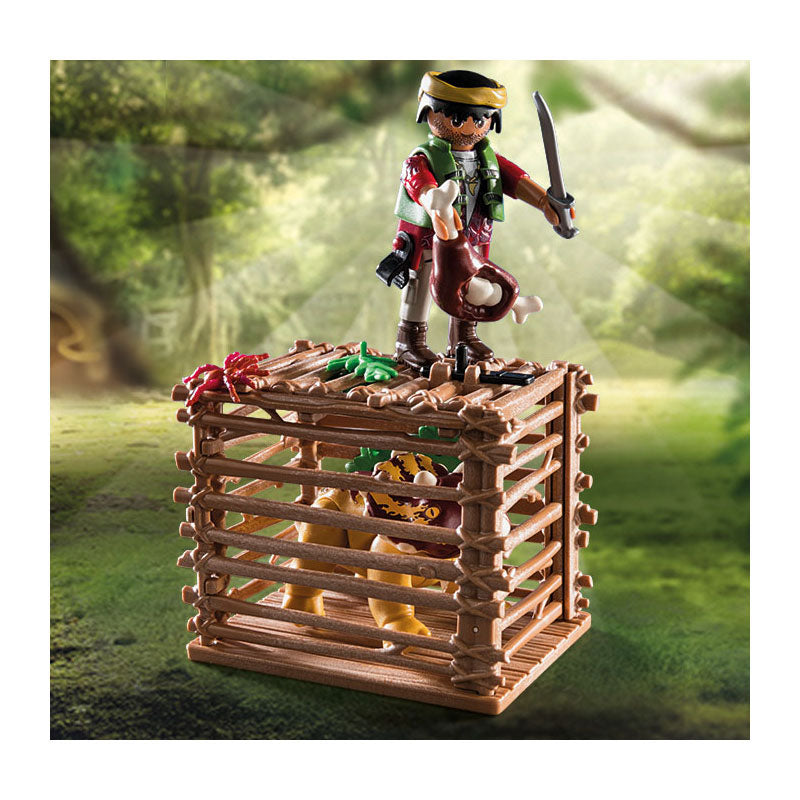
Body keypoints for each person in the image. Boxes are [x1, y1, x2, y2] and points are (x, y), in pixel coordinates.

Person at [376, 69, 565, 371]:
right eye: (456, 119)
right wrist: (432, 198)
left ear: (492, 120)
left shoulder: (487, 160)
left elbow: (516, 180)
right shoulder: (423, 158)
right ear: (429, 112)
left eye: (479, 120)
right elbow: (417, 181)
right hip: (428, 238)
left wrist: (544, 201)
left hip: (474, 236)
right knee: (420, 284)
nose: (468, 128)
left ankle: (463, 337)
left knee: (470, 283)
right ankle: (409, 342)